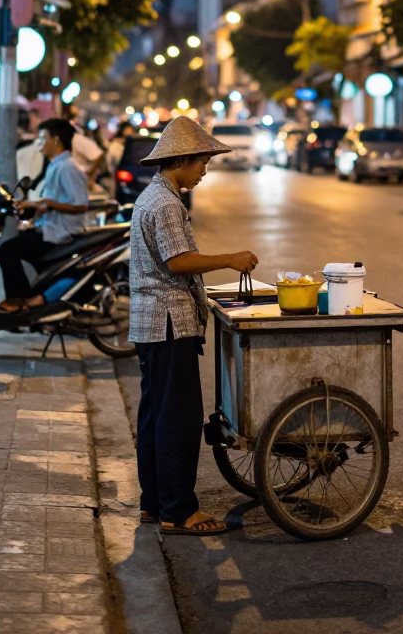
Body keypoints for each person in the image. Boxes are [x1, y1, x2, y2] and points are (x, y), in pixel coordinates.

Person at [130, 115, 258, 536]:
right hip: (168, 324)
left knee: (154, 416)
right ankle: (179, 511)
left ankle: (154, 503)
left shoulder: (153, 197)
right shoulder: (167, 203)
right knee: (179, 420)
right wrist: (229, 258)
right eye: (202, 161)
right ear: (182, 159)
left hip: (153, 325)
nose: (205, 169)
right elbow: (177, 262)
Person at [0, 118, 93, 311]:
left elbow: (81, 205)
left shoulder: (68, 168)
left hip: (61, 235)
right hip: (48, 229)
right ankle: (34, 304)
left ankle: (19, 302)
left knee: (7, 250)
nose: (39, 144)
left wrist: (47, 203)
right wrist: (34, 206)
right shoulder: (54, 165)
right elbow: (56, 201)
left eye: (42, 138)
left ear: (56, 140)